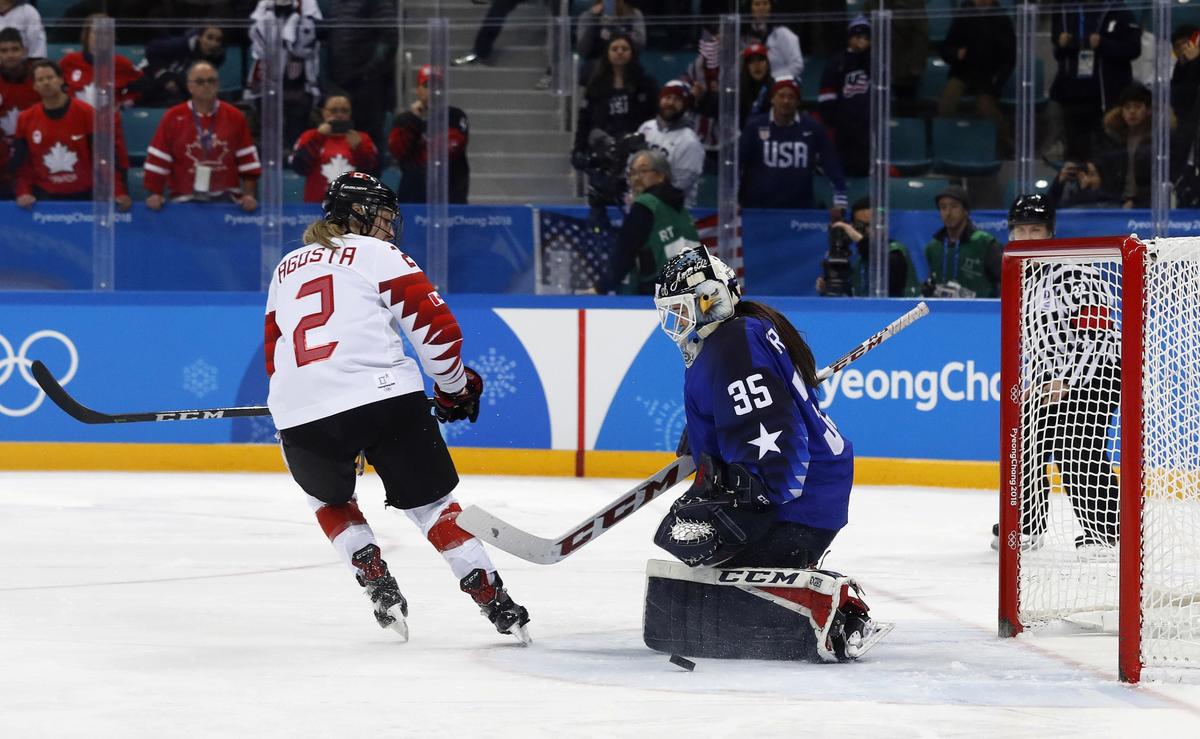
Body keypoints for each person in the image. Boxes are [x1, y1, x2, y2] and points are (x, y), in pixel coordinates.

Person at [264, 171, 531, 643]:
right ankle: (492, 596)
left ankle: (371, 572)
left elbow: (275, 352)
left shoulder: (286, 267)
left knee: (328, 500)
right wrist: (453, 387)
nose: (389, 226)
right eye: (383, 216)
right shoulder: (377, 253)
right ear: (358, 214)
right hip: (383, 398)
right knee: (433, 506)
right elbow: (436, 329)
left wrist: (298, 407)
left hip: (300, 412)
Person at [648, 245, 888, 662]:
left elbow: (776, 440)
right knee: (690, 574)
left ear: (709, 300)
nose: (676, 323)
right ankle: (792, 571)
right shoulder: (733, 336)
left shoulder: (731, 345)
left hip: (797, 498)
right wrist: (707, 431)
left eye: (682, 310)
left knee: (707, 589)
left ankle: (835, 607)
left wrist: (749, 505)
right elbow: (750, 414)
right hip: (806, 488)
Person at [991, 194, 1119, 557]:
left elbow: (1098, 335)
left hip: (1098, 372)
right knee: (1025, 438)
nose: (1027, 237)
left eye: (1036, 230)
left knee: (1076, 446)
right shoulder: (1023, 276)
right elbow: (1042, 343)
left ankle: (1109, 532)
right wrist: (1039, 381)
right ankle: (1025, 526)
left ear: (1050, 232)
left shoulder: (1076, 273)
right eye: (1020, 230)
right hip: (1054, 378)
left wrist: (1068, 380)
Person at [11, 59, 131, 209]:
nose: (46, 83)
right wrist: (23, 192)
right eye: (40, 80)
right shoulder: (25, 119)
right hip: (44, 197)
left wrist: (118, 192)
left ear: (61, 79)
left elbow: (104, 158)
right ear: (34, 86)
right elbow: (22, 164)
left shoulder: (87, 113)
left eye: (50, 77)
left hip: (86, 195)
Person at [143, 61, 261, 210]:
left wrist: (249, 195)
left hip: (227, 200)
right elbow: (158, 161)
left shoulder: (235, 116)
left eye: (211, 81)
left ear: (218, 84)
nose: (206, 85)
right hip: (183, 199)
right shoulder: (173, 117)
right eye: (200, 82)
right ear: (189, 86)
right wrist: (155, 194)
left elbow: (248, 162)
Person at [571, 33, 657, 214]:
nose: (619, 52)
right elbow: (584, 121)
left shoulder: (645, 84)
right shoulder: (596, 85)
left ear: (632, 53)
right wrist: (579, 148)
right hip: (604, 157)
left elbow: (653, 120)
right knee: (601, 206)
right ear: (607, 53)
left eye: (624, 49)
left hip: (635, 156)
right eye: (615, 49)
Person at [738, 76, 847, 212]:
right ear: (772, 99)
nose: (786, 101)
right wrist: (732, 200)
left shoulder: (812, 127)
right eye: (781, 96)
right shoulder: (755, 126)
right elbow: (737, 164)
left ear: (798, 102)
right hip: (758, 208)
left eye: (791, 96)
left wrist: (840, 199)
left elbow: (831, 162)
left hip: (800, 209)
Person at [1049, 1, 1141, 162]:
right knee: (1075, 153)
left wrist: (1104, 44)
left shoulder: (1118, 11)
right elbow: (1058, 51)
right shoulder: (1065, 10)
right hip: (1073, 95)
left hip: (1106, 95)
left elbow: (1133, 49)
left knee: (1106, 152)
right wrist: (1060, 44)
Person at [599, 149, 697, 295]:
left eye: (643, 171)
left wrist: (600, 287)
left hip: (658, 293)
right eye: (632, 173)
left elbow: (625, 252)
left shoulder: (645, 205)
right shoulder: (682, 210)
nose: (636, 178)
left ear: (661, 176)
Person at [937, 0, 1015, 154]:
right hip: (962, 72)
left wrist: (997, 81)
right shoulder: (964, 15)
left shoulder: (1002, 19)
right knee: (947, 99)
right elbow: (946, 48)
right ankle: (944, 145)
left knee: (985, 107)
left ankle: (1005, 144)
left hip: (987, 76)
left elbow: (1009, 59)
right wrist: (956, 54)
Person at [388, 64, 470, 205]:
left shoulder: (455, 117)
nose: (433, 91)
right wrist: (414, 120)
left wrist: (418, 149)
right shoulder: (404, 120)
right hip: (413, 199)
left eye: (438, 86)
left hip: (450, 197)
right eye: (427, 86)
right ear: (418, 90)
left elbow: (446, 150)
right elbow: (398, 152)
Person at [246, 0, 322, 146]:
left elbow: (307, 43)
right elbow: (257, 45)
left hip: (298, 81)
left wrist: (293, 21)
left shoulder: (307, 3)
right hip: (268, 78)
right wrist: (272, 19)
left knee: (296, 131)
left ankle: (293, 153)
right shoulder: (265, 5)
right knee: (270, 132)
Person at [326, 0, 397, 151]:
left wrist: (368, 72)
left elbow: (389, 37)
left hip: (368, 86)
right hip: (341, 83)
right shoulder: (337, 3)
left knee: (368, 142)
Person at [817, 197, 920, 298]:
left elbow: (889, 273)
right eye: (861, 225)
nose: (868, 230)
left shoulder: (896, 251)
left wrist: (860, 240)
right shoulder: (859, 261)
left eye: (873, 225)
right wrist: (830, 290)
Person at [290, 94, 379, 203]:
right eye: (333, 110)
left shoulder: (362, 138)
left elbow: (373, 172)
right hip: (316, 205)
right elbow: (299, 167)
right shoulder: (310, 136)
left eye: (344, 110)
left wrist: (359, 148)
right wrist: (317, 138)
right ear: (323, 112)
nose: (339, 114)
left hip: (354, 204)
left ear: (350, 113)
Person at [1093, 83, 1169, 209]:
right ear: (1121, 112)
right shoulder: (1112, 140)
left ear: (1149, 110)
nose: (1132, 112)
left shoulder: (1159, 140)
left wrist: (1136, 201)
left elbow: (1160, 181)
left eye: (1137, 107)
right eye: (1127, 107)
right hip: (1114, 201)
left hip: (1147, 205)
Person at [921, 186, 1001, 298]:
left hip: (980, 308)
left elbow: (1004, 281)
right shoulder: (933, 247)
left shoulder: (984, 243)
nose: (948, 213)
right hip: (941, 308)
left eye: (954, 206)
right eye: (943, 207)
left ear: (966, 211)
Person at [818, 16, 872, 178]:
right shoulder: (837, 62)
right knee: (842, 164)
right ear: (849, 38)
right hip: (843, 124)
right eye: (858, 36)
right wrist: (831, 119)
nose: (862, 41)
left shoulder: (873, 62)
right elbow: (827, 92)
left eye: (866, 38)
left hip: (866, 124)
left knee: (863, 166)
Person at [635, 80, 704, 208]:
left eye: (677, 99)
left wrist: (648, 197)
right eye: (667, 97)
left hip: (674, 211)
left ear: (685, 105)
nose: (671, 103)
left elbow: (680, 185)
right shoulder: (646, 128)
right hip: (642, 206)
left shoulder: (690, 141)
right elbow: (633, 166)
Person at [59, 13, 144, 108]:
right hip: (75, 114)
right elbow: (55, 87)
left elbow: (142, 86)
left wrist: (125, 102)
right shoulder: (69, 60)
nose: (100, 37)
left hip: (107, 115)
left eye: (105, 33)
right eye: (96, 33)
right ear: (87, 35)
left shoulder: (122, 63)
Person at [139, 25, 227, 107]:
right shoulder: (180, 44)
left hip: (180, 85)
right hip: (153, 75)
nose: (213, 43)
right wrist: (164, 77)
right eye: (209, 38)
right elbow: (151, 52)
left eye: (218, 40)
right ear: (200, 37)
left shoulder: (218, 57)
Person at [0, 26, 39, 198]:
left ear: (24, 51)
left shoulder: (38, 79)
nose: (10, 55)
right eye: (4, 50)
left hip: (33, 157)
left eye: (15, 49)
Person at [575, 0, 646, 84]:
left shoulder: (634, 14)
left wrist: (619, 29)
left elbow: (639, 44)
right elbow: (583, 50)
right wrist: (593, 18)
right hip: (596, 65)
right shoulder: (588, 16)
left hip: (626, 62)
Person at [742, 0, 802, 80]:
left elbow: (797, 65)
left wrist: (772, 79)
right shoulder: (744, 36)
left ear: (771, 7)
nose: (761, 8)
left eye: (765, 4)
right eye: (757, 4)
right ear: (750, 8)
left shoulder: (783, 33)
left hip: (780, 85)